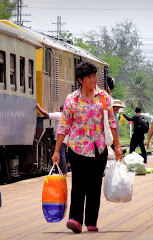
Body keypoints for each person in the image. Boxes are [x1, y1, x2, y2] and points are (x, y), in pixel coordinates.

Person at [52, 61, 123, 234]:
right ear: (80, 80)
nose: (93, 80)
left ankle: (91, 221)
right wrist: (56, 150)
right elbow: (64, 125)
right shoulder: (72, 99)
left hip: (98, 148)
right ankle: (75, 219)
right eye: (89, 77)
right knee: (78, 184)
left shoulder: (104, 97)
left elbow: (111, 122)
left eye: (94, 76)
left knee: (94, 185)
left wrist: (117, 145)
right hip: (77, 148)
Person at [36, 103, 68, 175]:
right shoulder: (66, 116)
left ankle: (63, 172)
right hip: (66, 139)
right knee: (60, 155)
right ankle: (58, 171)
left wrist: (39, 108)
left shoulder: (59, 115)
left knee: (61, 155)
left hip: (60, 139)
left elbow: (47, 115)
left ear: (61, 109)